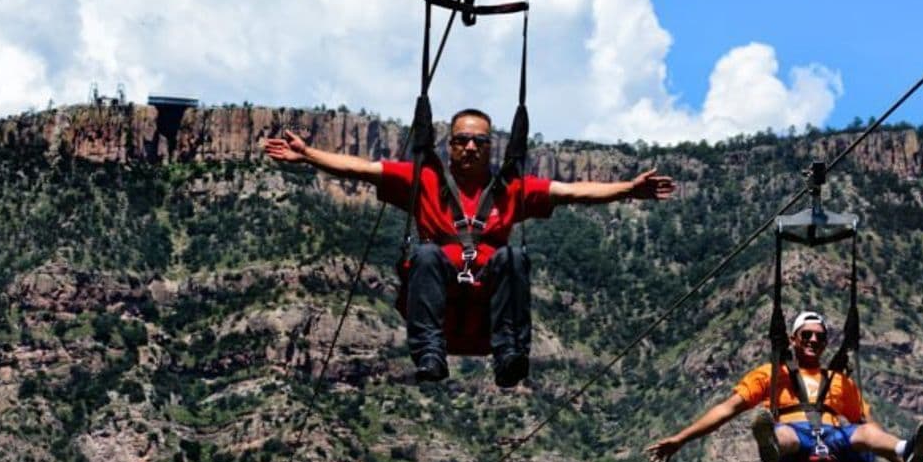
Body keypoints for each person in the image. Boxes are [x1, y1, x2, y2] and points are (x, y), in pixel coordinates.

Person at [264, 108, 676, 386]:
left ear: (491, 146)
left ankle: (510, 354)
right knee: (425, 254)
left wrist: (627, 189)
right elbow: (363, 168)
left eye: (480, 141)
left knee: (513, 256)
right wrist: (308, 156)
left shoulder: (510, 188)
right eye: (462, 140)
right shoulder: (423, 179)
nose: (471, 147)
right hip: (438, 292)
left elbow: (571, 191)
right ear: (449, 145)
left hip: (486, 297)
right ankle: (429, 352)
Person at [646, 311, 923, 462]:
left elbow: (873, 431)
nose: (812, 340)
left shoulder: (840, 381)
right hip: (796, 436)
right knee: (784, 434)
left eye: (819, 337)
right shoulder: (771, 375)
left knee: (867, 433)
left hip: (835, 438)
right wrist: (680, 439)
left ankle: (907, 449)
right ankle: (770, 445)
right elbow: (726, 409)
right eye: (806, 335)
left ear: (825, 343)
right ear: (793, 339)